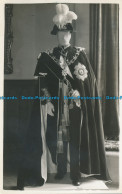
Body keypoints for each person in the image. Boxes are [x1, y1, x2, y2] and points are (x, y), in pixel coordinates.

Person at [17, 3, 111, 190]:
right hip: (56, 104)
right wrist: (47, 100)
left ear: (70, 34)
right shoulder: (49, 56)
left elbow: (88, 81)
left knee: (74, 139)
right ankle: (60, 169)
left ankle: (75, 174)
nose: (63, 36)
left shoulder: (80, 54)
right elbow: (43, 83)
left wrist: (79, 91)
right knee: (56, 138)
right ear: (56, 35)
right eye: (59, 34)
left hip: (74, 104)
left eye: (66, 33)